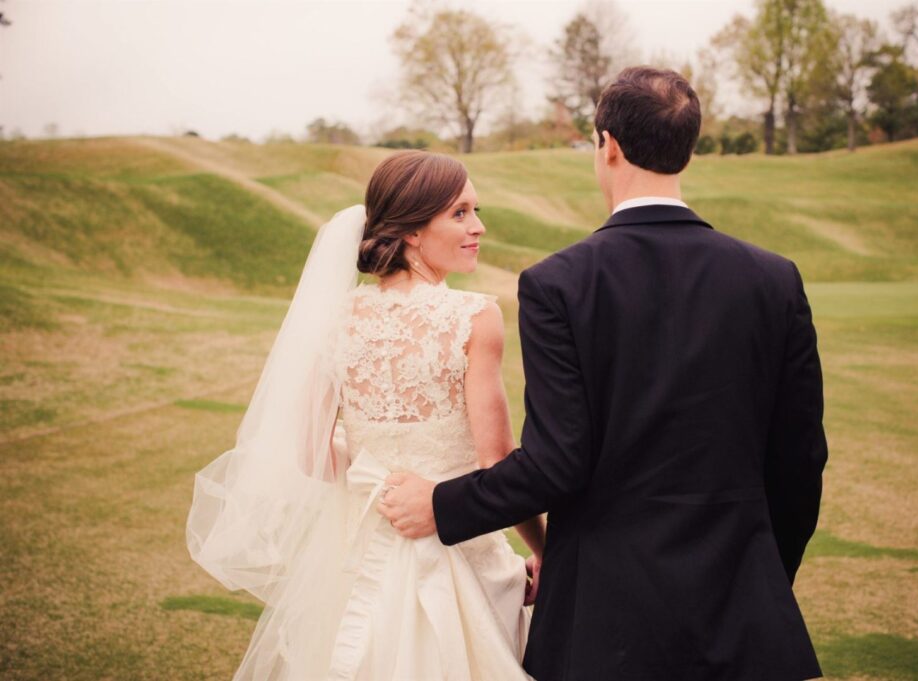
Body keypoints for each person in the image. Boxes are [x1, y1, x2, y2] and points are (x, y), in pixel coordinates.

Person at [380, 66, 828, 681]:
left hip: (605, 622)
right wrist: (759, 577)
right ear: (687, 148)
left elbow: (557, 461)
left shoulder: (558, 284)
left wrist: (442, 504)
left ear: (607, 144)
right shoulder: (774, 279)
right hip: (746, 615)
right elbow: (801, 460)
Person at [186, 150, 545, 680]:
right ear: (415, 232)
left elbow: (309, 455)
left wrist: (373, 471)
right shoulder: (474, 317)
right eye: (460, 213)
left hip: (359, 555)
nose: (479, 226)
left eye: (475, 211)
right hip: (458, 552)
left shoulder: (338, 316)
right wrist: (548, 548)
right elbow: (497, 463)